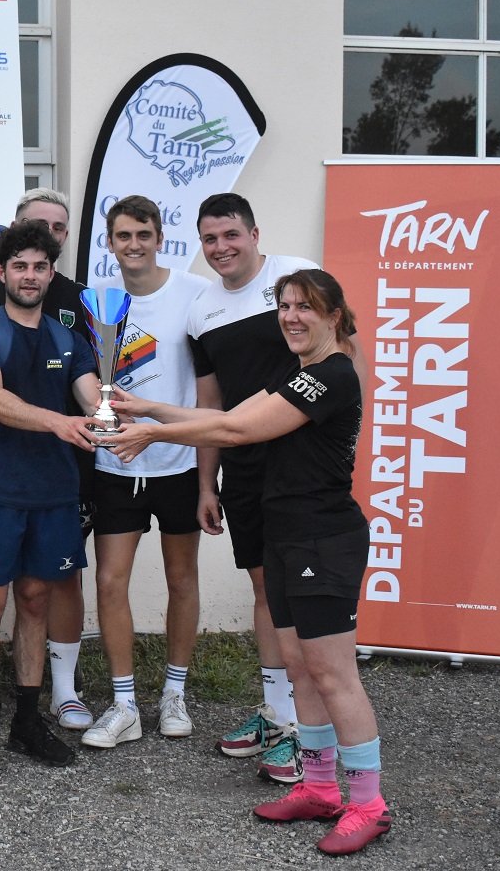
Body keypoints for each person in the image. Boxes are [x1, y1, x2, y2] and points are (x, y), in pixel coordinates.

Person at [111, 269, 391, 856]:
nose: (290, 316)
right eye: (284, 306)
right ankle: (318, 788)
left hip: (323, 539)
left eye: (304, 308)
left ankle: (368, 803)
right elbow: (228, 413)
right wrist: (148, 408)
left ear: (334, 316)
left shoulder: (332, 376)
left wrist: (148, 430)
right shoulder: (300, 372)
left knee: (332, 672)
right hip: (285, 535)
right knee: (298, 664)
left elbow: (237, 430)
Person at [0, 220, 103, 788]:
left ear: (51, 273)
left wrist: (128, 423)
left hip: (55, 494)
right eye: (20, 266)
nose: (30, 276)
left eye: (40, 267)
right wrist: (61, 422)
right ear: (2, 273)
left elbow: (94, 399)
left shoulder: (71, 338)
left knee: (35, 603)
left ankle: (27, 722)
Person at [187, 192, 318, 783]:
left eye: (231, 235)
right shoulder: (200, 310)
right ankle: (278, 714)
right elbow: (209, 404)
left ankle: (308, 731)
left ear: (255, 233)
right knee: (266, 593)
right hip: (242, 470)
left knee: (300, 598)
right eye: (210, 239)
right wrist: (206, 483)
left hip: (303, 466)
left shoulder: (300, 282)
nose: (221, 248)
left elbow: (345, 357)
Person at [79, 196, 208, 749]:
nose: (134, 245)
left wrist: (206, 476)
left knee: (182, 580)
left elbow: (210, 387)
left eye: (143, 234)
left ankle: (175, 694)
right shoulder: (96, 301)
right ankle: (125, 702)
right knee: (110, 581)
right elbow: (87, 380)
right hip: (115, 464)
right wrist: (107, 432)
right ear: (109, 242)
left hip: (177, 462)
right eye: (123, 236)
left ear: (160, 237)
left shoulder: (193, 292)